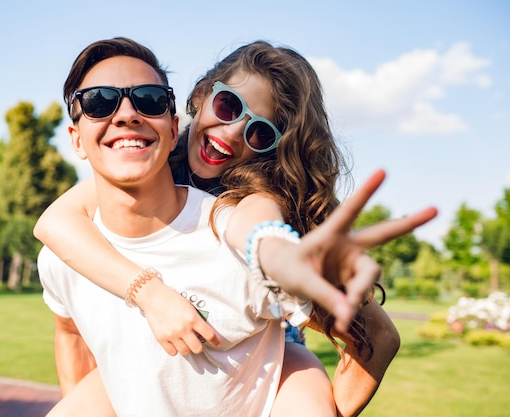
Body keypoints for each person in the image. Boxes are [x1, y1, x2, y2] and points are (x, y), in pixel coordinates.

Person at [36, 38, 437, 416]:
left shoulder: (251, 201)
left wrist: (276, 255)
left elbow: (253, 227)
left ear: (274, 151)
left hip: (269, 348)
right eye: (228, 106)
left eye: (260, 132)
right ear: (202, 96)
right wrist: (150, 293)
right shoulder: (146, 155)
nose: (229, 134)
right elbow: (55, 223)